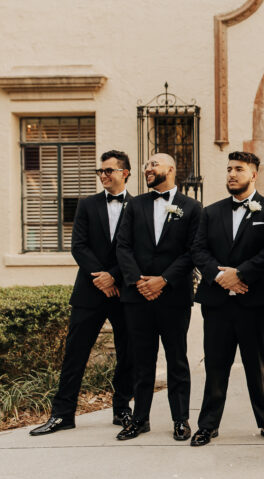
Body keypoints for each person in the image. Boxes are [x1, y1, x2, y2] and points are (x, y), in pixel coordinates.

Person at [30, 150, 134, 435]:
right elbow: (78, 246)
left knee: (128, 353)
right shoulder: (88, 205)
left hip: (123, 293)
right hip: (89, 292)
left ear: (124, 172)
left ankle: (122, 409)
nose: (103, 175)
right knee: (75, 354)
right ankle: (63, 415)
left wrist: (113, 276)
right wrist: (101, 277)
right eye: (100, 171)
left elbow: (137, 250)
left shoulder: (138, 207)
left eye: (108, 170)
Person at [191, 151, 264, 446]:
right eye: (229, 169)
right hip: (217, 303)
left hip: (256, 302)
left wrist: (240, 275)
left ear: (254, 174)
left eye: (239, 169)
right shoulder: (211, 212)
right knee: (216, 365)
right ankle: (207, 425)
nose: (232, 174)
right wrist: (220, 277)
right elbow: (198, 250)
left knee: (258, 366)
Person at [115, 153, 201, 441]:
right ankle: (139, 419)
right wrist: (138, 281)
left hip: (173, 296)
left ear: (171, 169)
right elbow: (123, 246)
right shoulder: (134, 205)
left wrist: (164, 280)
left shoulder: (192, 208)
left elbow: (193, 252)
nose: (147, 168)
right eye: (146, 164)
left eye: (154, 164)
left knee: (177, 359)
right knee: (142, 360)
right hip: (137, 296)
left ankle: (180, 419)